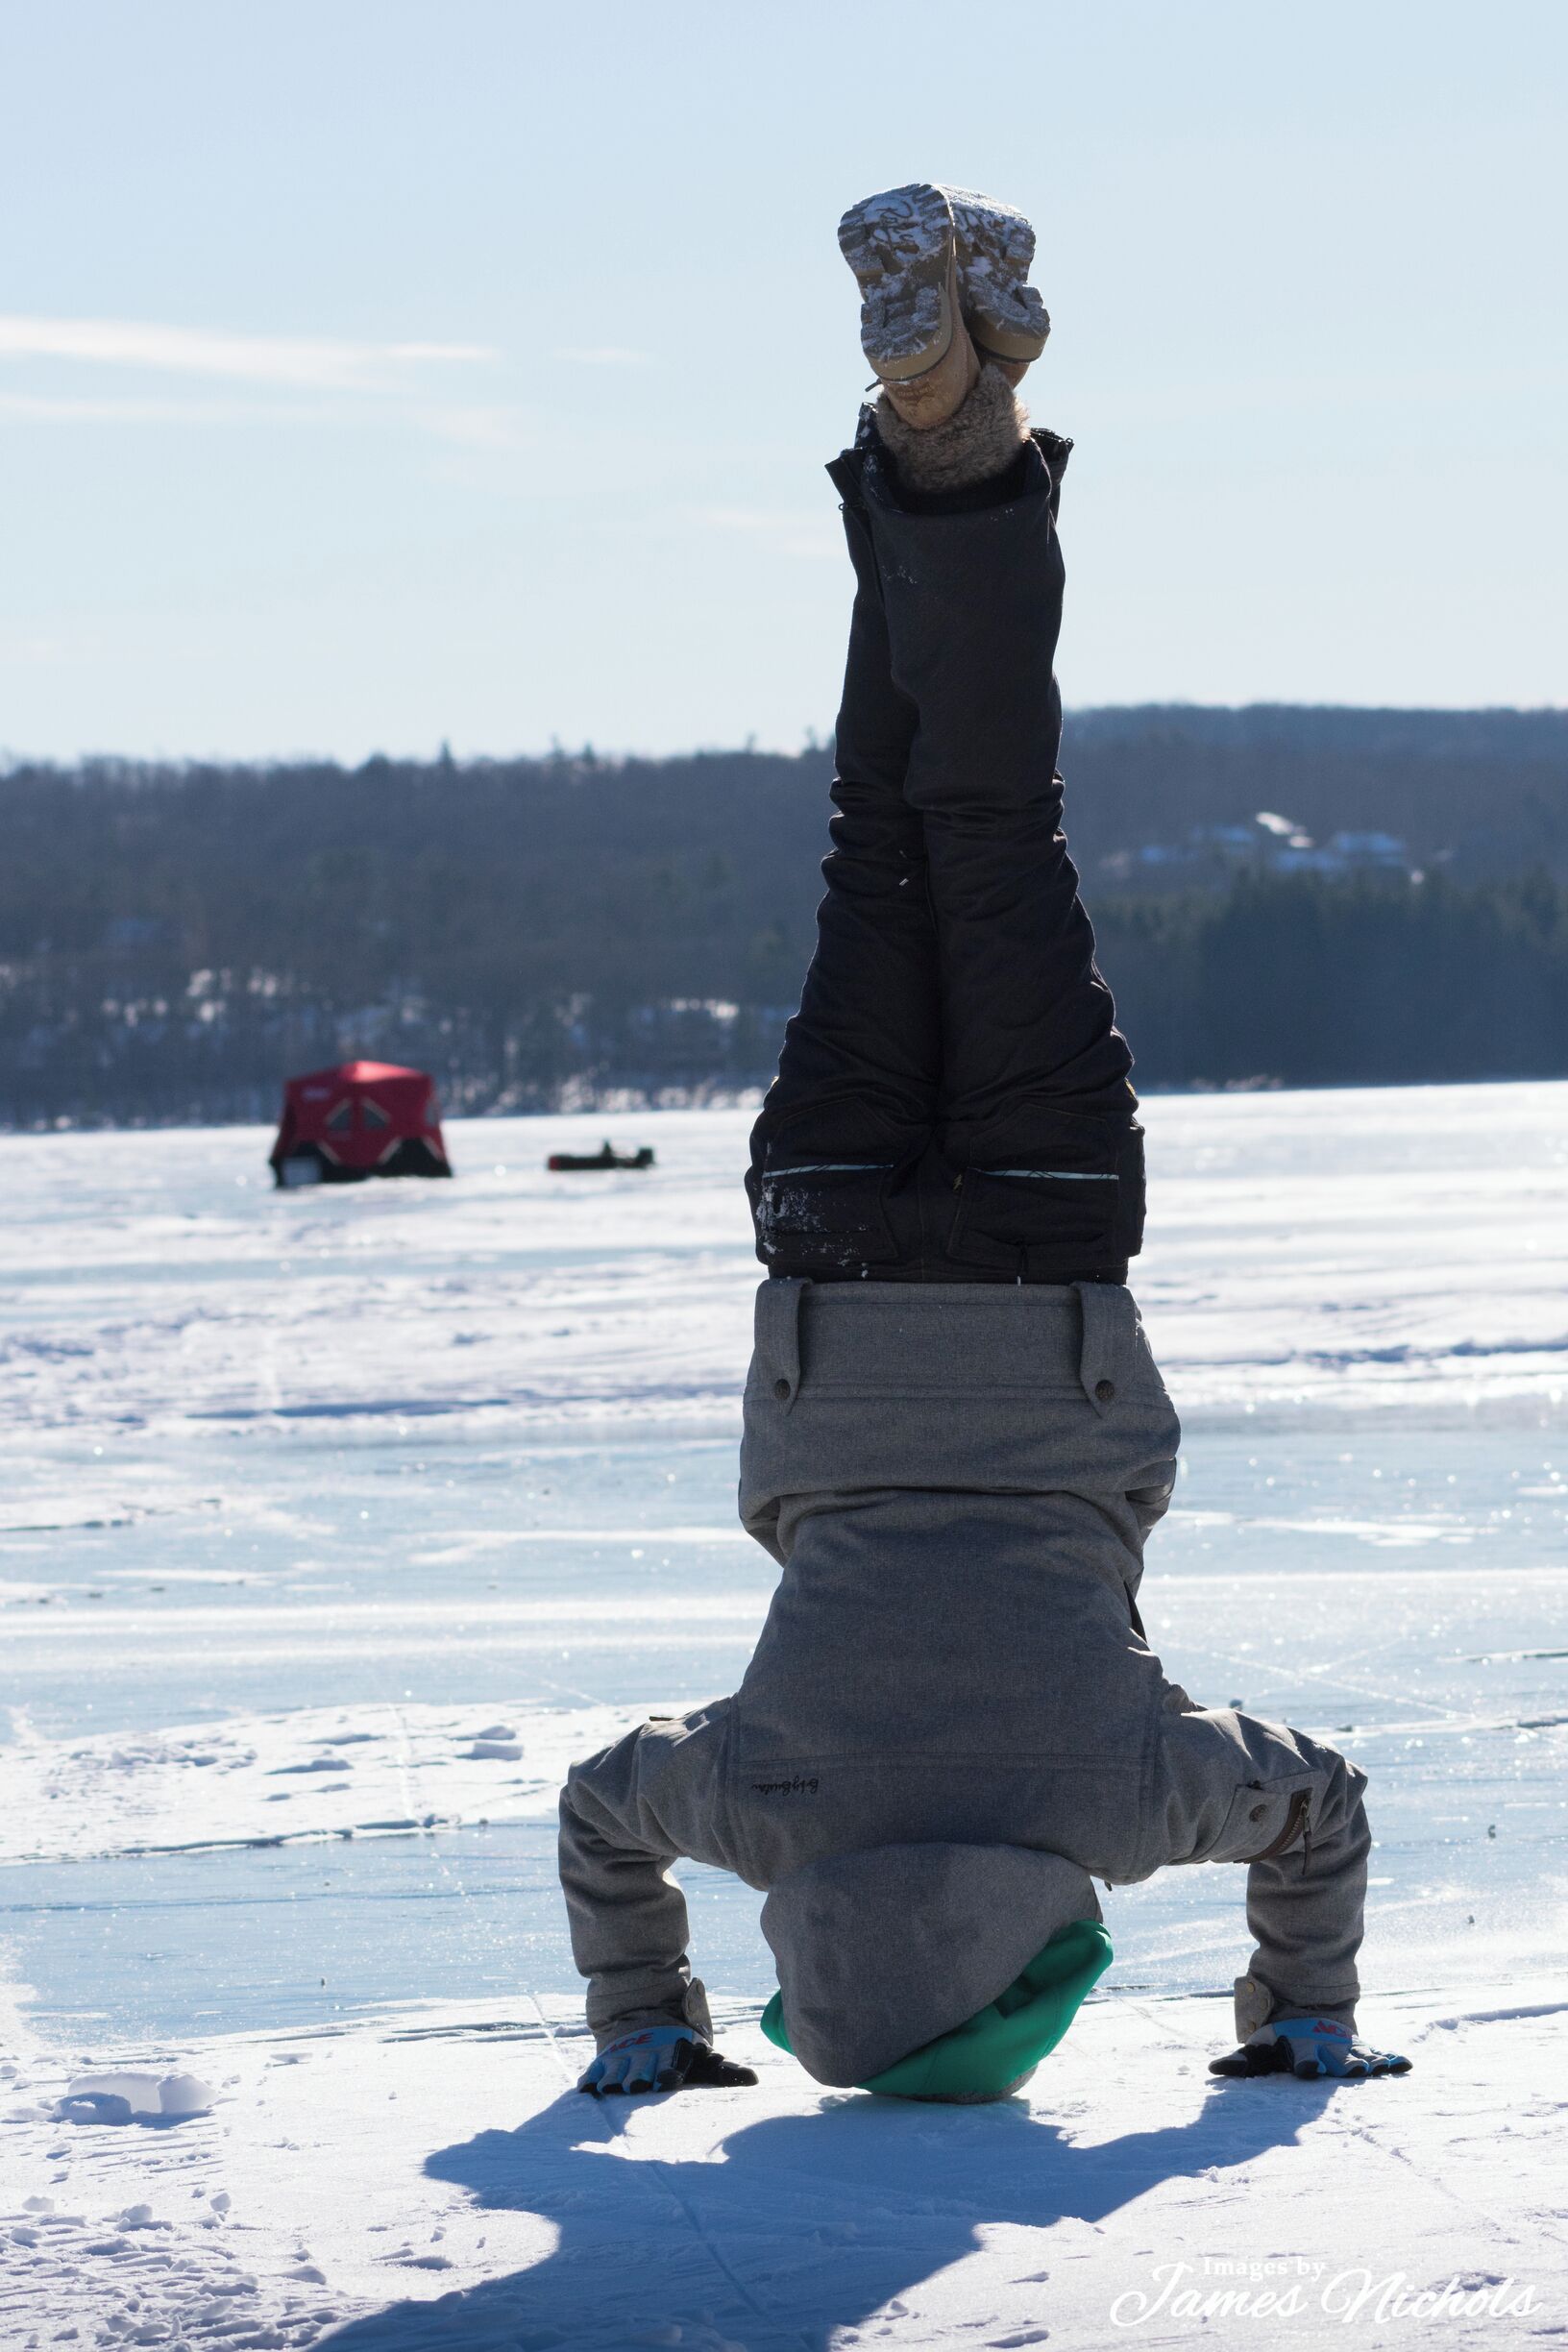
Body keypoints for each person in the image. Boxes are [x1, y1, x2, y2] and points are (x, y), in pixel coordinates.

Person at [559, 184, 1409, 2099]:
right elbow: (601, 1812)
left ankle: (967, 434)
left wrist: (1303, 2018)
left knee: (993, 814)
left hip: (1043, 1253)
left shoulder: (1129, 1807)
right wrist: (638, 2030)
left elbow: (1327, 1809)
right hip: (838, 1263)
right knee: (888, 820)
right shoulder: (761, 1812)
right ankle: (945, 431)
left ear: (1024, 1965)